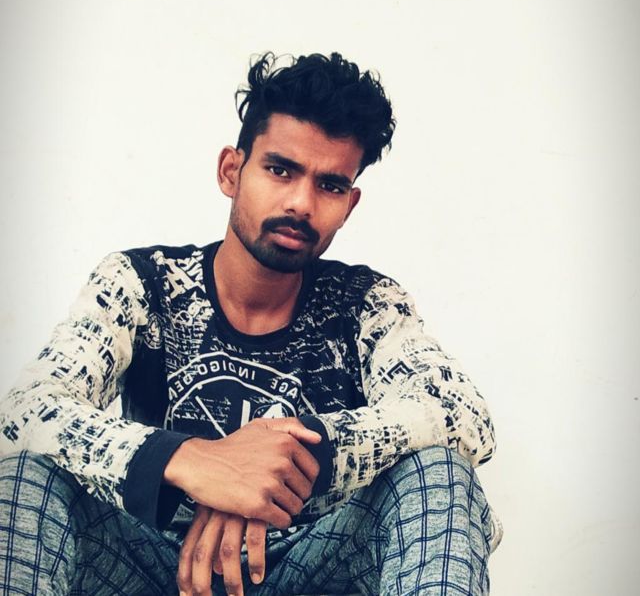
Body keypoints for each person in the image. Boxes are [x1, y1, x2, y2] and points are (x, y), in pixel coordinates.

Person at [0, 52, 501, 596]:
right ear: (231, 171)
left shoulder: (365, 304)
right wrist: (195, 462)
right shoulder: (142, 283)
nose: (301, 203)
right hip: (152, 565)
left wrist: (288, 463)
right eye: (280, 170)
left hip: (307, 566)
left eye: (330, 185)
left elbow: (464, 417)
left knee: (439, 474)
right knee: (25, 476)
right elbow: (25, 411)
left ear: (350, 204)